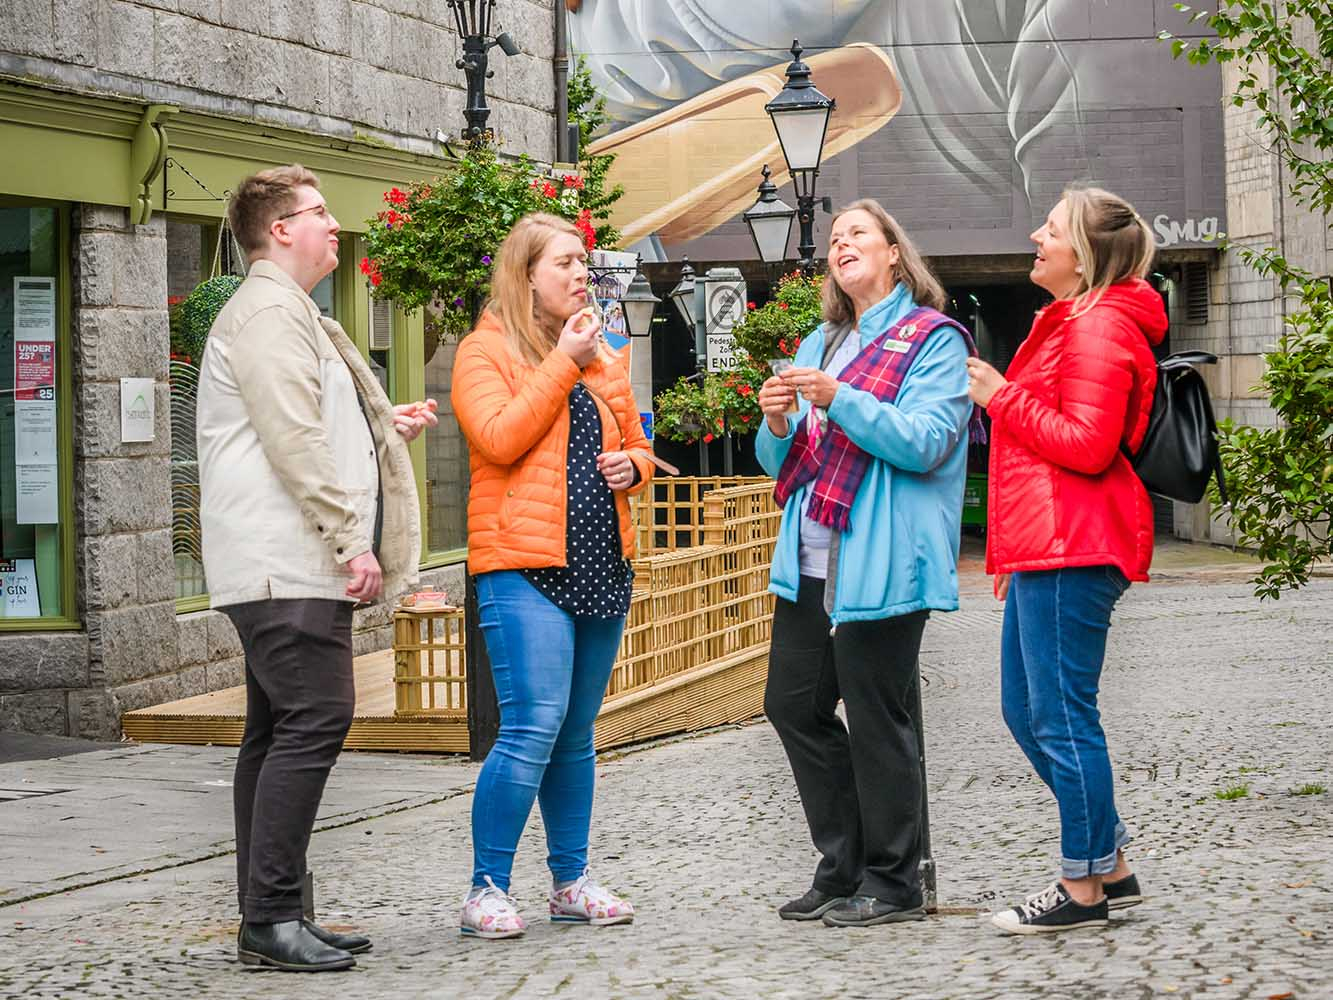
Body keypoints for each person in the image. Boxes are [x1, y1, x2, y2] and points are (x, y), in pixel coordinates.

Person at [196, 164, 436, 972]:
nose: (335, 225)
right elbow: (289, 437)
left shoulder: (288, 311)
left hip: (283, 562)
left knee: (274, 732)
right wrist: (349, 539)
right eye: (319, 212)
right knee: (316, 719)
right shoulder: (268, 310)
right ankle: (269, 918)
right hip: (286, 564)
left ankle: (278, 910)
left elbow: (305, 424)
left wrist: (377, 429)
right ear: (278, 230)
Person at [756, 199, 979, 928]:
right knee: (791, 705)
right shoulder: (823, 340)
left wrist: (839, 398)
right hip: (811, 556)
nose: (840, 244)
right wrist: (778, 419)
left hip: (884, 561)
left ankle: (893, 879)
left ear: (892, 251)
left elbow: (925, 441)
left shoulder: (932, 339)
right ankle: (842, 863)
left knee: (879, 719)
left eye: (856, 233)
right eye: (833, 238)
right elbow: (782, 464)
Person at [965, 186, 1165, 935]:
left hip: (1072, 541)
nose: (1033, 236)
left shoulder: (1097, 327)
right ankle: (1109, 864)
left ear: (1080, 256)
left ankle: (1081, 886)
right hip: (1049, 542)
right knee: (1030, 713)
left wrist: (998, 396)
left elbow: (1086, 444)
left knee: (1059, 718)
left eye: (1048, 230)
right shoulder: (1076, 320)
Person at [451, 212, 656, 940]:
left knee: (574, 733)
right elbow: (499, 438)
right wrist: (562, 362)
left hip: (602, 563)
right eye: (565, 263)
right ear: (526, 275)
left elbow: (639, 447)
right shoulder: (483, 351)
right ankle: (485, 888)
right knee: (531, 726)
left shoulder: (604, 354)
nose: (579, 276)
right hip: (523, 566)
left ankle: (570, 881)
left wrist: (632, 467)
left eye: (582, 264)